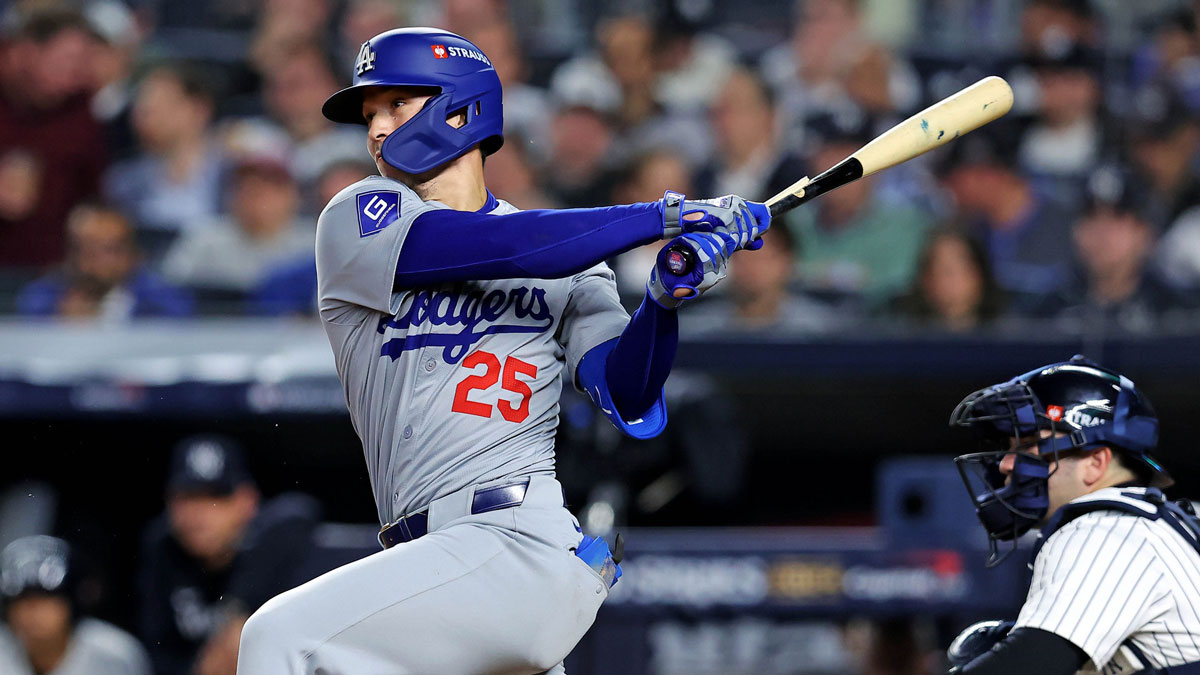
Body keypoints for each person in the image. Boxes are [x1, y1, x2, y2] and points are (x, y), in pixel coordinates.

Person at [235, 27, 769, 674]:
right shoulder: (357, 215)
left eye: (395, 105)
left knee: (278, 638)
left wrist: (662, 301)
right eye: (369, 112)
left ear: (460, 108)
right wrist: (665, 216)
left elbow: (628, 393)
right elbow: (509, 247)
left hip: (512, 543)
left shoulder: (576, 265)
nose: (375, 128)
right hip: (437, 576)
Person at [945, 355, 1200, 674]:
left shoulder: (1104, 530)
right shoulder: (1146, 525)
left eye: (1029, 445)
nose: (1006, 464)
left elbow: (1028, 665)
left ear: (1095, 463)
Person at [138, 435, 319, 675]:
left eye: (216, 496)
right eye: (188, 497)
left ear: (247, 501)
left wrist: (237, 611)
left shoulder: (270, 542)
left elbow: (299, 512)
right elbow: (157, 654)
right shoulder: (163, 550)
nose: (200, 513)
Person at [0, 535, 151, 675]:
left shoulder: (116, 655)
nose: (32, 612)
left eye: (45, 598)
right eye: (22, 600)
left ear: (71, 603)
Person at [15, 203, 193, 320]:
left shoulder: (162, 298)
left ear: (133, 256)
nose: (96, 261)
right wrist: (60, 324)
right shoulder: (44, 297)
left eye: (109, 250)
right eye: (86, 249)